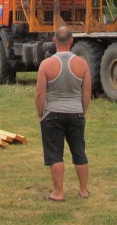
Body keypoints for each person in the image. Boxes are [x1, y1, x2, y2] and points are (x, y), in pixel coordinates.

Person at [35, 26, 92, 202]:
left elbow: (40, 94)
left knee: (55, 154)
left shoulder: (46, 64)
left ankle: (58, 193)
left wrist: (40, 114)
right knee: (79, 152)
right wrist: (82, 112)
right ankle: (83, 190)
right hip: (76, 113)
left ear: (54, 41)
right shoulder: (82, 64)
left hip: (53, 114)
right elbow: (87, 92)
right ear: (72, 41)